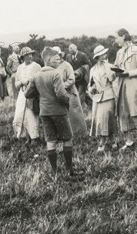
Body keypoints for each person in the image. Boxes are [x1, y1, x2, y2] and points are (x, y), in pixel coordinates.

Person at [25, 47, 84, 180]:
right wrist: (67, 101)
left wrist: (41, 92)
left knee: (50, 140)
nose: (59, 61)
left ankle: (55, 173)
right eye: (56, 59)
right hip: (59, 111)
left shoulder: (36, 75)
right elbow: (61, 94)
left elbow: (28, 94)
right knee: (67, 138)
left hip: (44, 112)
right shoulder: (55, 74)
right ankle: (70, 170)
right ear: (49, 60)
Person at [113, 28, 137, 149]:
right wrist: (115, 71)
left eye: (117, 37)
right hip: (121, 86)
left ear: (124, 36)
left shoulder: (136, 50)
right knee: (123, 114)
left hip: (134, 87)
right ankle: (128, 141)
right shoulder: (119, 52)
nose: (115, 40)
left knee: (136, 113)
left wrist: (127, 73)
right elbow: (116, 66)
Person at [89, 45, 119, 153]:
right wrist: (91, 90)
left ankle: (102, 144)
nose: (104, 56)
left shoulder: (109, 66)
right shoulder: (92, 69)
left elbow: (113, 79)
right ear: (97, 57)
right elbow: (91, 83)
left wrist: (108, 68)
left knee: (106, 119)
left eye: (105, 53)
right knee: (100, 120)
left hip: (108, 96)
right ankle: (113, 141)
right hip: (97, 98)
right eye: (102, 54)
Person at [53, 46, 88, 138]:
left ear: (60, 55)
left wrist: (61, 87)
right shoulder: (52, 67)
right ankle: (66, 135)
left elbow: (71, 80)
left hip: (70, 93)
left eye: (58, 55)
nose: (56, 58)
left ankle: (81, 135)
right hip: (59, 95)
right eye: (53, 56)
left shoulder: (66, 65)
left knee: (74, 113)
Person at [12, 47, 41, 152]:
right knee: (21, 114)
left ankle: (34, 137)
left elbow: (39, 80)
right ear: (23, 57)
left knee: (32, 115)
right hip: (22, 94)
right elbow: (16, 84)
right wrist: (21, 82)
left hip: (32, 94)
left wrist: (30, 81)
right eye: (27, 55)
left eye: (31, 54)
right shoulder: (20, 68)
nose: (30, 56)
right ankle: (25, 136)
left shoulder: (37, 66)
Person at [66, 43, 91, 109]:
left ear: (76, 47)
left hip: (81, 80)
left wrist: (81, 70)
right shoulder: (68, 56)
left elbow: (89, 64)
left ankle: (81, 110)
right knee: (74, 95)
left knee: (81, 96)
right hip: (73, 80)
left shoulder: (82, 55)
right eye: (69, 48)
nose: (70, 49)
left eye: (71, 48)